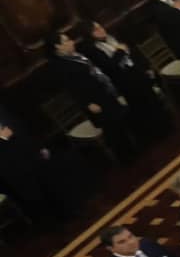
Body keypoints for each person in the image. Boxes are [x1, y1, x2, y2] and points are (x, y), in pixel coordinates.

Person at [45, 30, 140, 160]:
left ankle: (134, 151)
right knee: (113, 131)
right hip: (95, 101)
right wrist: (87, 104)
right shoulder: (60, 66)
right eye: (66, 40)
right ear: (57, 46)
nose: (71, 42)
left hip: (104, 92)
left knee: (120, 122)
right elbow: (72, 88)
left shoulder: (76, 55)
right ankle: (127, 158)